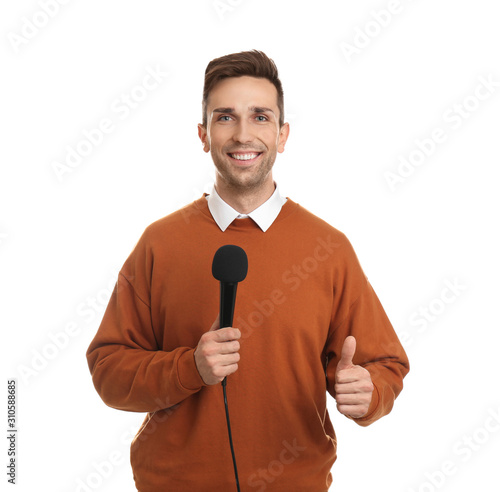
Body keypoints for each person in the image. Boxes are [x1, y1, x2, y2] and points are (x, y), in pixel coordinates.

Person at [86, 49, 410, 491]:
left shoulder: (328, 249)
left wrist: (371, 393)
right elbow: (109, 370)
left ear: (282, 134)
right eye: (225, 117)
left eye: (260, 117)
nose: (243, 135)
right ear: (203, 134)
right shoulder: (159, 244)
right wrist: (190, 368)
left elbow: (385, 364)